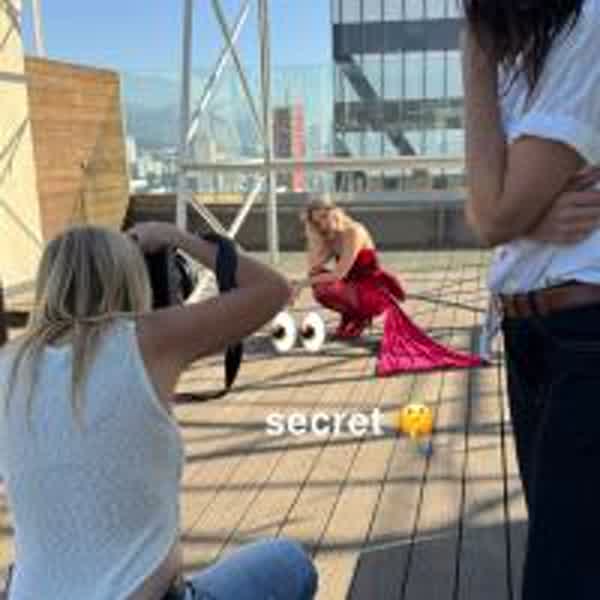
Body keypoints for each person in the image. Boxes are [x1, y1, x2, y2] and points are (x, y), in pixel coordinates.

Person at [0, 223, 318, 600]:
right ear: (127, 275)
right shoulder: (147, 337)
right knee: (290, 563)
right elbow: (273, 290)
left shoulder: (7, 364)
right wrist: (174, 237)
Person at [462, 0, 600, 597]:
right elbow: (482, 213)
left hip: (582, 334)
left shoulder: (587, 24)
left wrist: (473, 64)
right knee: (569, 554)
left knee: (561, 576)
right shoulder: (526, 57)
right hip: (533, 333)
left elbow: (493, 217)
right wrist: (528, 220)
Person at [292, 196, 483, 375]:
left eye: (324, 216)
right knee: (317, 279)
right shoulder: (332, 238)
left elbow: (339, 274)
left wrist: (301, 284)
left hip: (372, 291)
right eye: (317, 222)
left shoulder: (353, 231)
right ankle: (355, 318)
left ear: (335, 211)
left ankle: (359, 317)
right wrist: (314, 237)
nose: (323, 223)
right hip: (354, 289)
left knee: (323, 283)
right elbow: (315, 267)